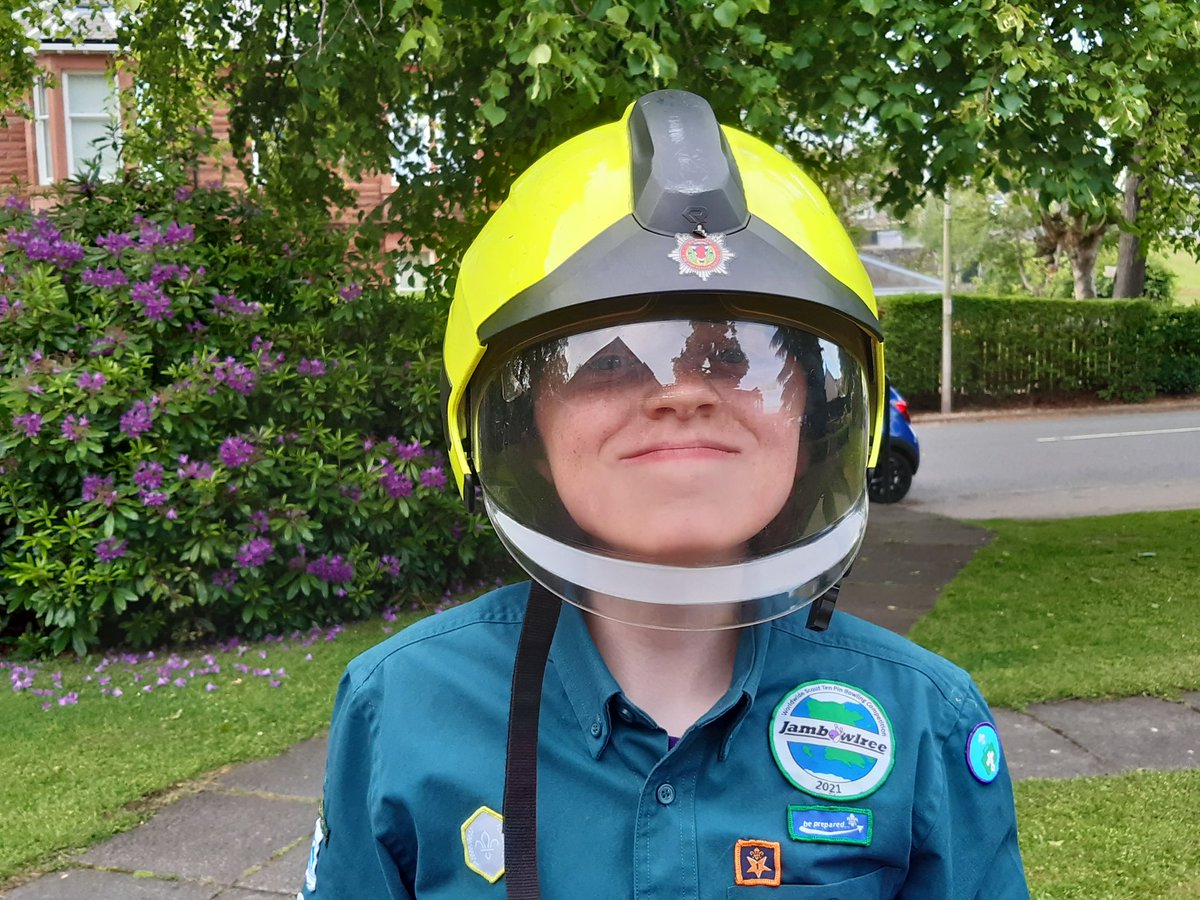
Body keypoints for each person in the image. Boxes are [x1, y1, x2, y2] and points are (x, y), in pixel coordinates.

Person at [300, 89, 1028, 899]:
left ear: (815, 417)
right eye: (610, 360)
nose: (682, 391)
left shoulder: (924, 721)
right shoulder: (402, 707)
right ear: (520, 429)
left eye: (733, 355)